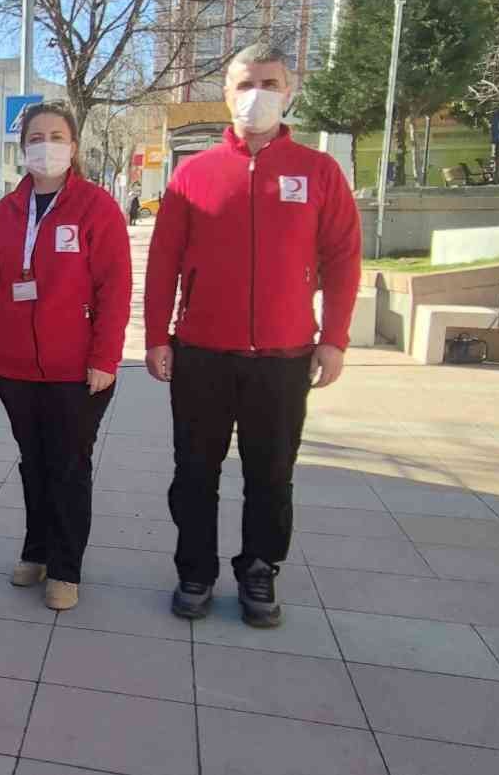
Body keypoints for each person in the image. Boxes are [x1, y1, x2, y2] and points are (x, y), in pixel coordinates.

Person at [144, 43, 362, 628]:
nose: (256, 95)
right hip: (201, 355)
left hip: (284, 357)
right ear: (226, 94)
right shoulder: (193, 175)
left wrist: (334, 338)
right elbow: (163, 262)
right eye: (245, 84)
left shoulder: (318, 172)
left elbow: (344, 259)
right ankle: (194, 569)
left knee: (271, 473)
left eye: (269, 82)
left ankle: (260, 567)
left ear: (290, 92)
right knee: (194, 471)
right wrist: (156, 337)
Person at [0, 105, 132, 612]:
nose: (45, 145)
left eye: (56, 136)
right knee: (33, 463)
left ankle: (65, 567)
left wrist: (105, 356)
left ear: (74, 145)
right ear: (22, 147)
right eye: (35, 137)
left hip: (77, 370)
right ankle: (36, 549)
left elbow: (115, 288)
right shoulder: (8, 210)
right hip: (15, 368)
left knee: (68, 465)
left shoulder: (95, 207)